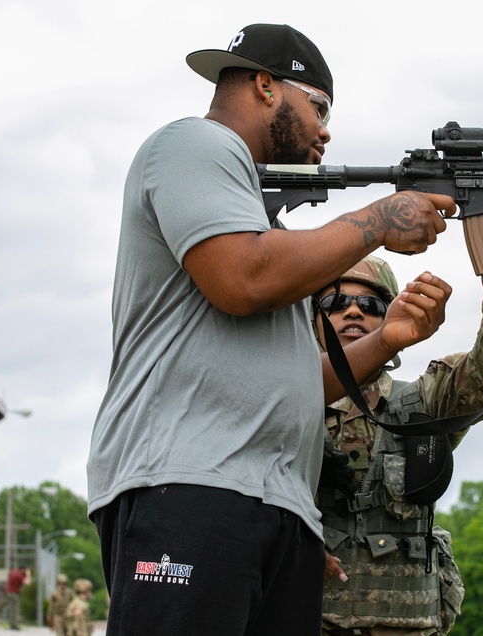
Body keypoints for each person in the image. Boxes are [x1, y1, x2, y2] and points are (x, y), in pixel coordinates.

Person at [86, 23, 456, 635]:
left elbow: (292, 385)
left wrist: (383, 342)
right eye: (319, 107)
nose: (326, 130)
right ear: (265, 85)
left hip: (264, 506)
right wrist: (377, 218)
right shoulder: (194, 144)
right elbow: (242, 280)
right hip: (188, 490)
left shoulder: (262, 227)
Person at [316, 204, 483, 636]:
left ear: (394, 314)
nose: (354, 312)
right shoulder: (280, 400)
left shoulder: (423, 402)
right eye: (336, 302)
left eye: (371, 303)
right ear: (312, 319)